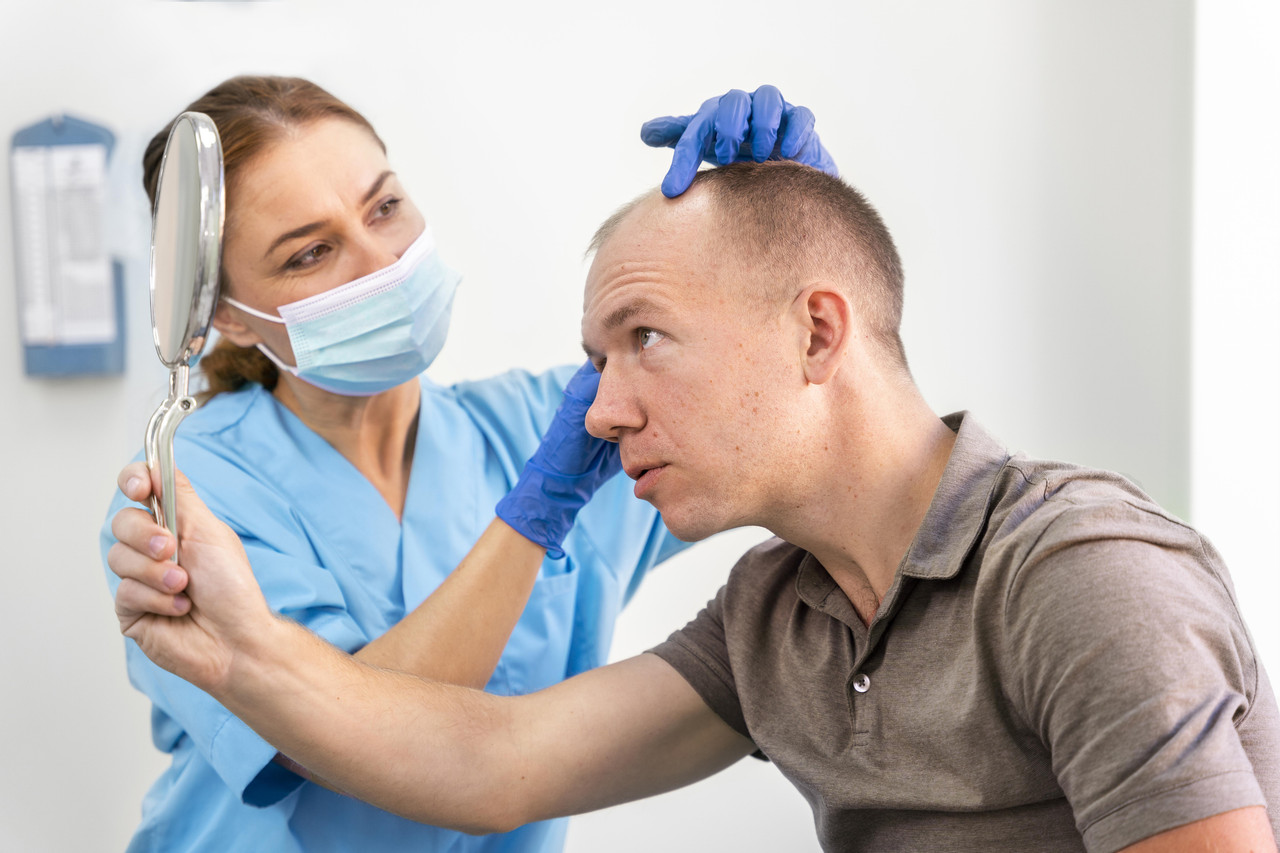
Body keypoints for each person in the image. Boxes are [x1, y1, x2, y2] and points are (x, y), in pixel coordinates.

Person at [109, 160, 1280, 852]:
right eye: (594, 358)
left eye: (643, 342)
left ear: (816, 330)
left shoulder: (1074, 576)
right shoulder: (778, 615)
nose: (598, 414)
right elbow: (499, 759)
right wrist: (244, 651)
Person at [100, 76, 836, 853]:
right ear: (224, 315)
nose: (380, 260)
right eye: (311, 252)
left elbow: (799, 432)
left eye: (384, 207)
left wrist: (796, 233)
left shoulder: (549, 424)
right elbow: (328, 730)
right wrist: (532, 518)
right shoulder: (187, 496)